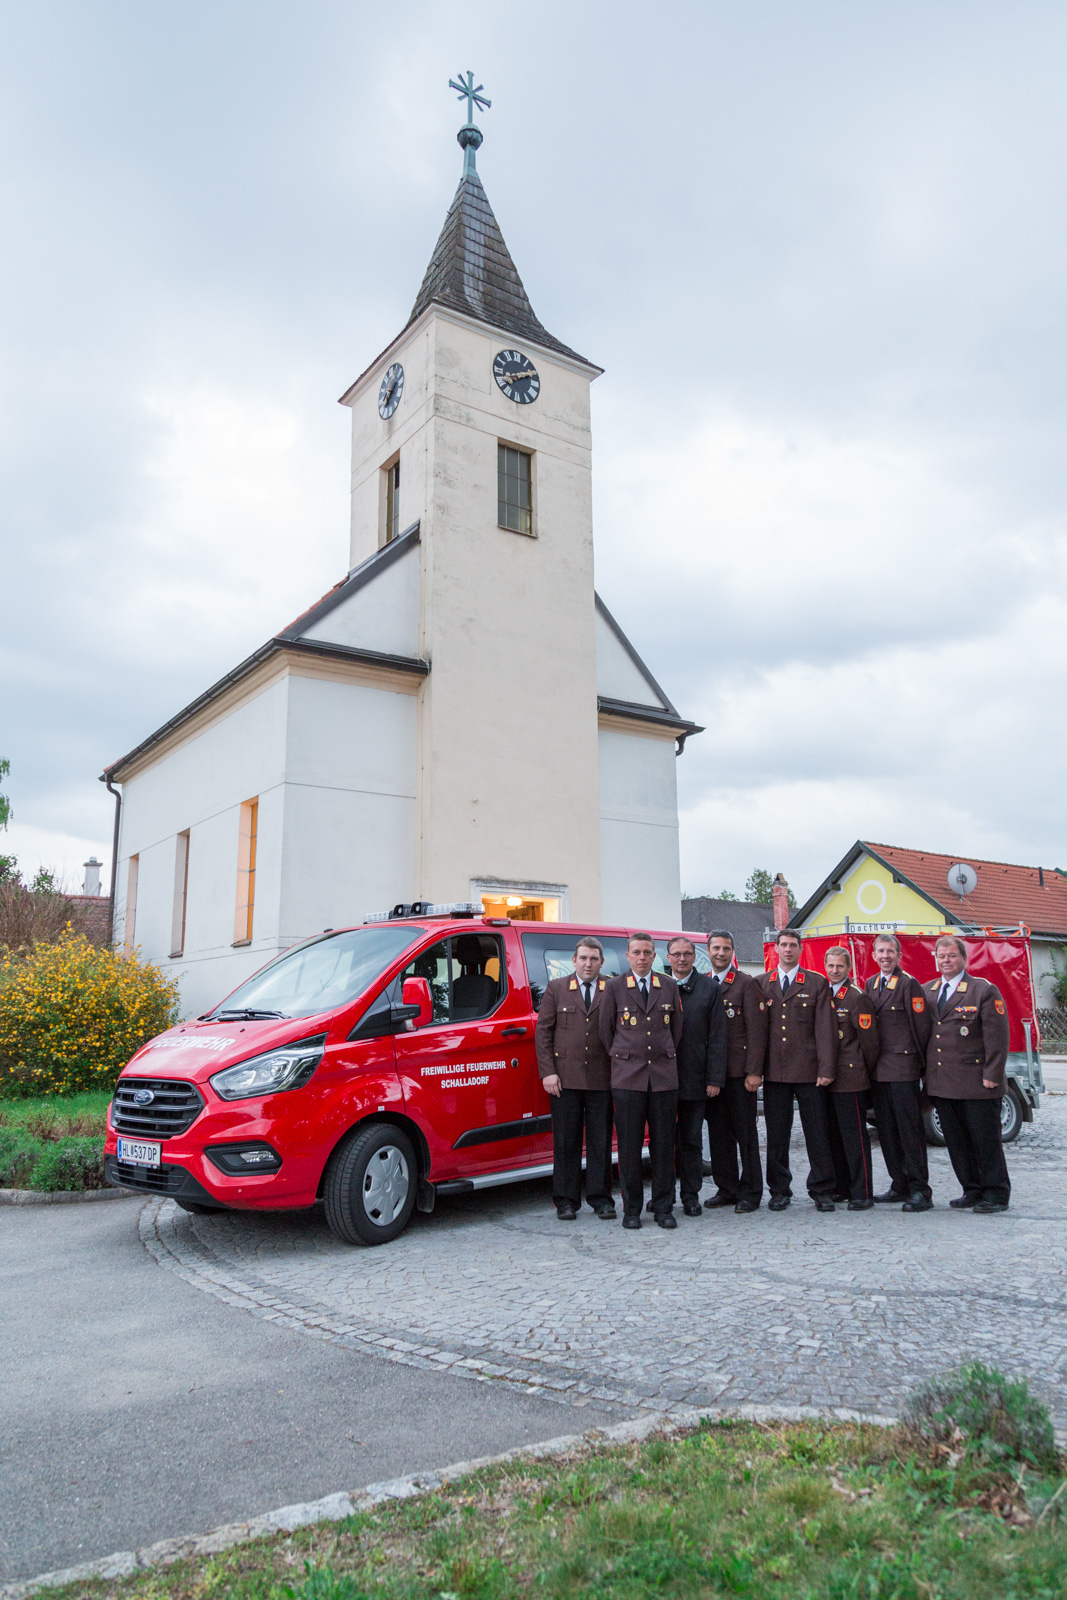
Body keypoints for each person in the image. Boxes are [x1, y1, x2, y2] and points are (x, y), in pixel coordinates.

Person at [600, 932, 684, 1229]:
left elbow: (676, 1030)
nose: (642, 957)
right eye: (636, 952)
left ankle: (663, 1208)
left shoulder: (668, 986)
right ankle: (632, 1210)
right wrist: (626, 1057)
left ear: (654, 956)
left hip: (662, 1078)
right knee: (629, 1147)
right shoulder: (614, 987)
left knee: (664, 1146)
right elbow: (606, 1031)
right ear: (628, 955)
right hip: (628, 1078)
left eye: (647, 952)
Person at [923, 934, 1011, 1214]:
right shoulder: (928, 991)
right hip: (942, 1083)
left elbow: (998, 1036)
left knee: (985, 1141)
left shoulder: (982, 990)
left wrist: (993, 1073)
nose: (946, 961)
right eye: (941, 956)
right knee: (957, 1143)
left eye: (951, 955)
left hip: (977, 1082)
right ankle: (971, 1189)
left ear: (964, 958)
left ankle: (995, 1193)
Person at [757, 928, 837, 1212]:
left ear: (801, 950)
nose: (788, 950)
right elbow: (756, 1031)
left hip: (809, 1072)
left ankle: (822, 1189)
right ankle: (779, 1190)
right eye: (784, 945)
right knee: (777, 1136)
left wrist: (826, 1068)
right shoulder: (761, 983)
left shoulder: (816, 983)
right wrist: (755, 1070)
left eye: (793, 945)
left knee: (817, 1134)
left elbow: (825, 1029)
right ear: (776, 949)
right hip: (775, 1072)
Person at [535, 936, 615, 1222]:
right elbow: (543, 1033)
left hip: (602, 1078)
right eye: (583, 958)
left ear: (601, 962)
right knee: (566, 1142)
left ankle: (601, 1199)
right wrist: (548, 1072)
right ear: (573, 960)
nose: (588, 963)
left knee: (600, 1142)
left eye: (593, 959)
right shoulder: (557, 988)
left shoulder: (612, 988)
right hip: (564, 1080)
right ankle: (566, 1201)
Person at [864, 933, 933, 1211]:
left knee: (909, 1132)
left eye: (890, 951)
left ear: (899, 955)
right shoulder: (870, 984)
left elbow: (921, 1028)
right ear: (873, 955)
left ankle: (920, 1190)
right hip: (878, 1071)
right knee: (888, 1133)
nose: (885, 956)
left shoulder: (909, 984)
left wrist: (923, 1069)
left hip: (903, 1069)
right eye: (881, 951)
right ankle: (899, 1183)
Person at [703, 930, 768, 1212]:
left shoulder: (746, 984)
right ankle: (726, 1188)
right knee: (719, 1135)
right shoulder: (703, 983)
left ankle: (751, 1191)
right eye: (716, 948)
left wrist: (754, 1072)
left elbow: (757, 1032)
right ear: (708, 951)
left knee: (746, 1135)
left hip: (740, 1074)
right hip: (713, 1076)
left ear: (732, 952)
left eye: (726, 948)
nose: (721, 953)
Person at [663, 935, 727, 1216]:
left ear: (695, 957)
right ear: (668, 958)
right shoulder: (659, 986)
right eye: (676, 954)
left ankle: (690, 1196)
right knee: (663, 1142)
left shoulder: (710, 988)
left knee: (691, 1141)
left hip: (695, 1077)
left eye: (687, 954)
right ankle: (663, 1197)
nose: (681, 959)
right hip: (661, 1079)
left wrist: (714, 1079)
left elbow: (718, 1037)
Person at [823, 946, 880, 1210]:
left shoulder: (857, 997)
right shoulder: (825, 993)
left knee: (854, 1138)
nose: (835, 971)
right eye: (831, 966)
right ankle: (842, 1186)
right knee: (834, 1137)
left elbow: (870, 1044)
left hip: (850, 1078)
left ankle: (863, 1192)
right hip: (828, 1079)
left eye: (840, 966)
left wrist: (861, 1072)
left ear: (849, 968)